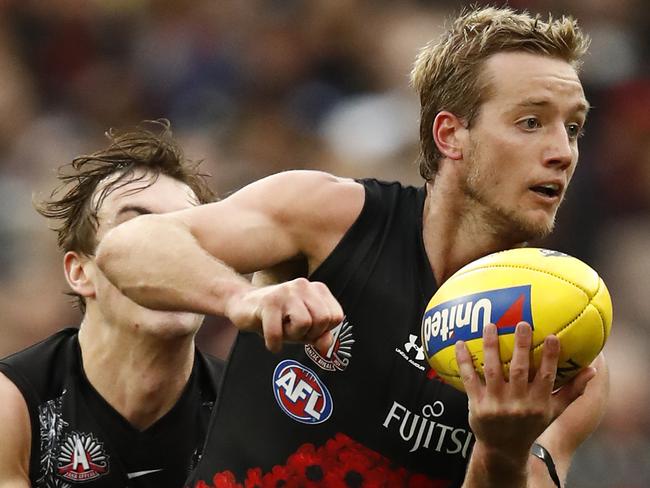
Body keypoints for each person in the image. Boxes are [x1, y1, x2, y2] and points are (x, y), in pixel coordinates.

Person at [96, 7, 609, 488]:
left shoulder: (565, 348)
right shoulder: (330, 218)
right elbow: (127, 250)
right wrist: (242, 299)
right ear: (451, 135)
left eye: (573, 128)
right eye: (530, 122)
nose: (563, 152)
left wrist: (501, 452)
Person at [0, 120, 224, 488]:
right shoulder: (15, 405)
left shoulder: (244, 408)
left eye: (190, 232)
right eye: (136, 229)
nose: (169, 251)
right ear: (80, 272)